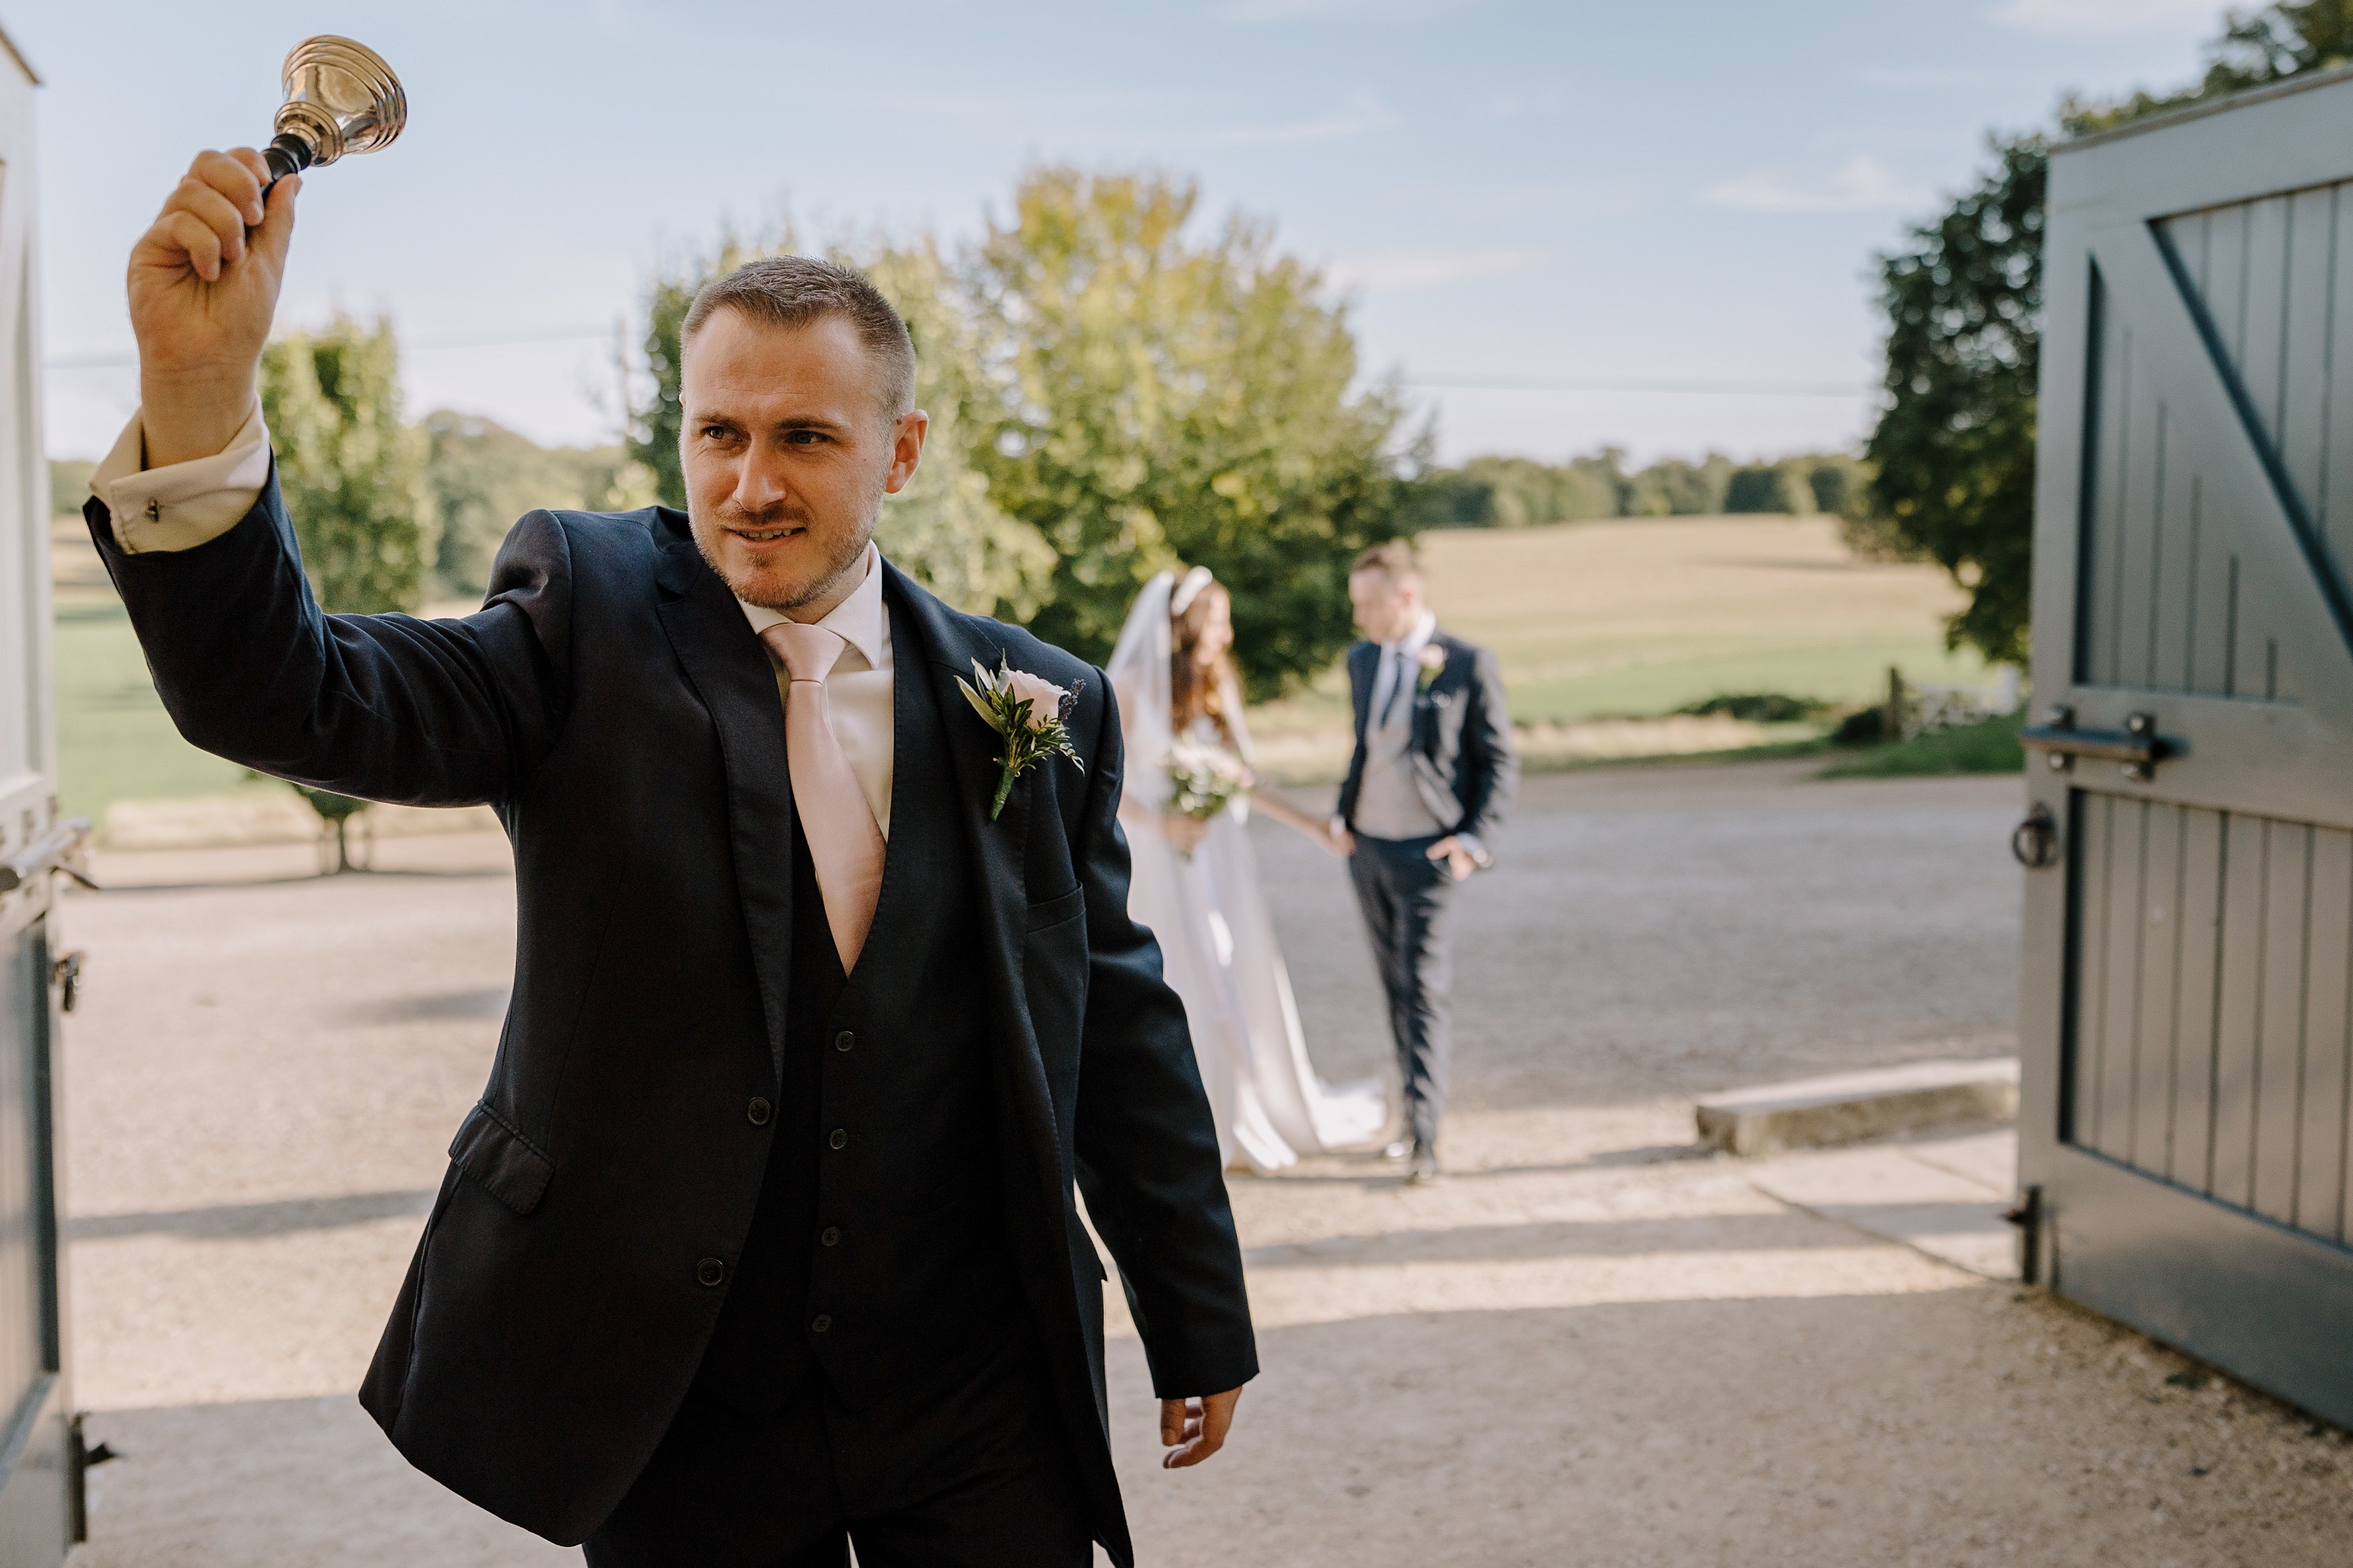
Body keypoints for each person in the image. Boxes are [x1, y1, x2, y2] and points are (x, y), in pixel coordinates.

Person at [90, 148, 1253, 1567]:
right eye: (718, 433)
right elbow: (293, 696)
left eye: (806, 440)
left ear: (899, 452)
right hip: (682, 1395)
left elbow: (1118, 1024)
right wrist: (200, 396)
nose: (751, 484)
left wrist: (1194, 1308)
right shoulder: (582, 623)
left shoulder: (1034, 696)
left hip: (974, 1387)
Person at [1107, 567, 1386, 1173]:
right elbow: (1101, 784)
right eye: (1217, 621)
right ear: (1185, 626)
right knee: (1182, 978)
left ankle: (1245, 1099)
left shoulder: (1211, 689)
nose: (1226, 635)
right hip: (1162, 863)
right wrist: (1161, 824)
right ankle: (1195, 1116)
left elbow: (1243, 777)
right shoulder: (1125, 688)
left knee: (1233, 967)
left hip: (1217, 860)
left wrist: (1311, 823)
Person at [1330, 540, 1517, 1185]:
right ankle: (1408, 1120)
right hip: (1368, 850)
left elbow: (1498, 762)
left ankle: (1426, 1139)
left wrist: (1472, 841)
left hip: (1429, 854)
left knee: (1423, 991)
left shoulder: (1466, 662)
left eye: (1369, 604)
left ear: (1406, 597)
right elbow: (1366, 749)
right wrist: (1343, 816)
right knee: (1392, 986)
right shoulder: (1362, 660)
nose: (1361, 618)